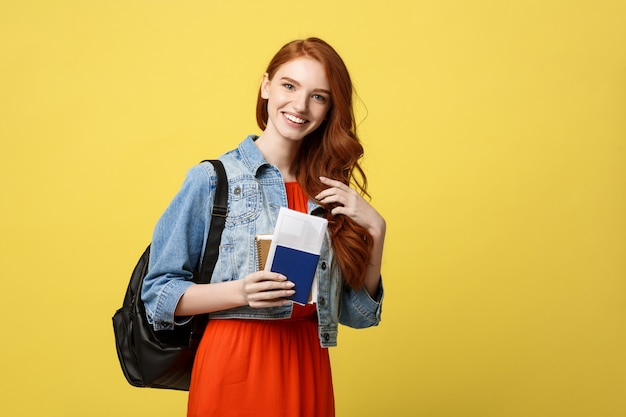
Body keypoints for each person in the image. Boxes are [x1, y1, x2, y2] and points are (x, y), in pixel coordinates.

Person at [141, 37, 386, 417]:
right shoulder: (213, 179)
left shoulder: (328, 193)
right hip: (236, 359)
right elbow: (158, 295)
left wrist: (377, 232)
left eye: (318, 96)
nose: (300, 106)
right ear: (266, 85)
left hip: (308, 361)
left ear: (329, 110)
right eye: (289, 86)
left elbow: (357, 314)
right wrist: (240, 291)